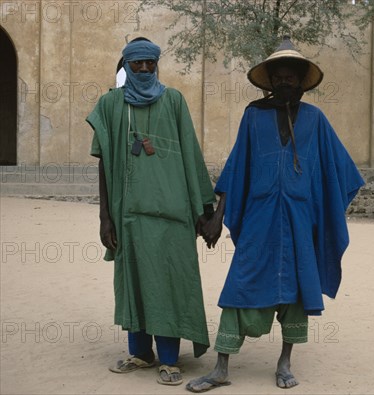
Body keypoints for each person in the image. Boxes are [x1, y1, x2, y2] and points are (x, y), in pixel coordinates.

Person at [186, 36, 364, 392]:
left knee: (297, 291)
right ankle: (221, 367)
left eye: (291, 77)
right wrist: (219, 216)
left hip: (301, 222)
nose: (285, 82)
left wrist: (322, 210)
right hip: (259, 220)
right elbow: (237, 168)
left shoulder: (316, 120)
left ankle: (284, 363)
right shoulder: (253, 116)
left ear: (301, 82)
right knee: (239, 286)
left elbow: (339, 172)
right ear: (271, 81)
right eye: (279, 77)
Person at [86, 38, 216, 386]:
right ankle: (141, 354)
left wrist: (204, 209)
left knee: (169, 284)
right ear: (125, 66)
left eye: (149, 63)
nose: (144, 69)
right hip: (128, 216)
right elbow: (103, 165)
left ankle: (170, 359)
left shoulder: (173, 100)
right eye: (137, 64)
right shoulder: (111, 105)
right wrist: (105, 217)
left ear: (156, 65)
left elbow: (190, 153)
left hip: (173, 217)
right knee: (134, 283)